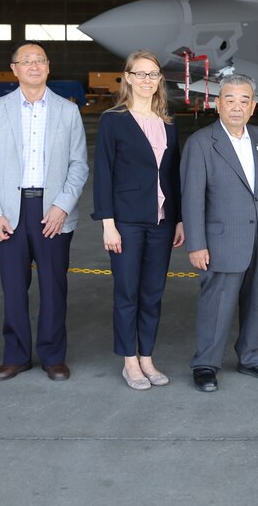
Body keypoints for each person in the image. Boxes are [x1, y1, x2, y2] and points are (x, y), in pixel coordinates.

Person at [0, 41, 88, 382]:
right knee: (12, 286)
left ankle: (53, 356)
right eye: (27, 61)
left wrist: (62, 206)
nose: (34, 66)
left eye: (40, 60)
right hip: (9, 210)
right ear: (15, 69)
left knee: (54, 286)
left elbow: (79, 165)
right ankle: (16, 356)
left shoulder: (68, 111)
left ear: (48, 67)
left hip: (52, 209)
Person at [181, 74, 258, 392]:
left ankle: (251, 357)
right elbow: (192, 196)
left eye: (244, 100)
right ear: (217, 104)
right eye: (230, 99)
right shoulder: (201, 143)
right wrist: (196, 244)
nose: (237, 107)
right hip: (223, 239)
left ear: (253, 106)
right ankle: (205, 364)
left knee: (257, 301)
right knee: (218, 303)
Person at [92, 50, 185, 391]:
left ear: (159, 80)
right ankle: (129, 361)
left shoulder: (169, 121)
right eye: (140, 74)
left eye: (153, 74)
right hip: (127, 222)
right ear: (128, 77)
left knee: (153, 292)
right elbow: (103, 173)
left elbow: (174, 176)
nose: (147, 80)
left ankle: (147, 356)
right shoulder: (113, 120)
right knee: (127, 292)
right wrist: (108, 223)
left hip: (162, 222)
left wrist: (179, 219)